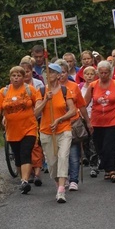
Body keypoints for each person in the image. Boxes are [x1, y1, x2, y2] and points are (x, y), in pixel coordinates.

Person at [0, 66, 41, 194]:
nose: (16, 78)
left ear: (23, 77)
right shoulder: (4, 92)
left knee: (26, 152)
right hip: (12, 130)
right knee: (18, 157)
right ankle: (22, 180)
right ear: (10, 77)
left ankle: (25, 180)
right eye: (13, 76)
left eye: (19, 76)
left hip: (29, 127)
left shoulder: (29, 90)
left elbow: (39, 104)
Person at [34, 62, 77, 203]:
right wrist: (46, 100)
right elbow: (35, 113)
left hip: (63, 129)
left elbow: (72, 110)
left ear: (58, 75)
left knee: (63, 157)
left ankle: (61, 191)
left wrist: (59, 119)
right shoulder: (40, 91)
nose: (49, 74)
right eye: (47, 72)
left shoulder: (65, 91)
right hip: (46, 131)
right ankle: (59, 182)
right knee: (52, 163)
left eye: (52, 72)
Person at [83, 61, 115, 182]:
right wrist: (86, 120)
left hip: (113, 120)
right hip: (96, 121)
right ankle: (107, 170)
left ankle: (112, 171)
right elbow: (84, 104)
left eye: (106, 72)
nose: (104, 75)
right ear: (97, 73)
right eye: (101, 73)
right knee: (100, 147)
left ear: (110, 73)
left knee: (109, 146)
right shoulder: (93, 85)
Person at [57, 59, 91, 192]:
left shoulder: (73, 86)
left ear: (67, 73)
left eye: (64, 72)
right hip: (57, 126)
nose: (61, 75)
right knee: (60, 154)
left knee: (73, 153)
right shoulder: (50, 88)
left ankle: (74, 180)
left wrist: (88, 122)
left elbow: (81, 105)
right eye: (58, 73)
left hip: (73, 123)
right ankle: (63, 178)